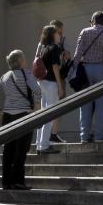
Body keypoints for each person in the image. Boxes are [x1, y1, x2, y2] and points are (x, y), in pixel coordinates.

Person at [0, 50, 41, 189]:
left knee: (8, 149)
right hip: (23, 114)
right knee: (21, 149)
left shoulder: (5, 76)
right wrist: (37, 107)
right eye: (23, 59)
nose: (25, 61)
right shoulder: (26, 74)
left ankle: (6, 182)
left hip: (7, 116)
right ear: (20, 61)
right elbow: (37, 90)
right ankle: (18, 181)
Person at [72, 12, 103, 142]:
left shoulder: (85, 32)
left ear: (93, 20)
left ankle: (84, 136)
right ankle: (98, 136)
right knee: (101, 106)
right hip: (102, 70)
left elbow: (78, 53)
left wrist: (75, 69)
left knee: (85, 105)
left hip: (85, 69)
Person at [36, 25, 64, 154]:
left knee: (44, 113)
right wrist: (60, 85)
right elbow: (55, 67)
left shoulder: (43, 48)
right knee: (51, 114)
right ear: (53, 34)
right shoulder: (54, 48)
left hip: (42, 82)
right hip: (51, 82)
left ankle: (39, 143)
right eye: (57, 33)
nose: (59, 35)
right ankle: (44, 145)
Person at [49, 19, 71, 143]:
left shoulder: (43, 42)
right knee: (56, 106)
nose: (60, 35)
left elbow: (68, 56)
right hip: (55, 78)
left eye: (61, 33)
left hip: (52, 78)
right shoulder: (51, 43)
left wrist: (65, 54)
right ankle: (51, 135)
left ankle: (52, 134)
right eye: (59, 32)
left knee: (56, 106)